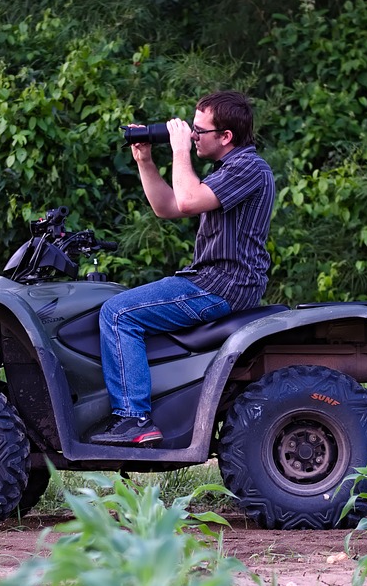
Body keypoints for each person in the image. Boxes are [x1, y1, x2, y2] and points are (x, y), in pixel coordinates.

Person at [91, 90, 275, 446]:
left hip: (221, 284)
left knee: (117, 313)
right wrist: (145, 160)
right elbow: (168, 207)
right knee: (118, 304)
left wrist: (178, 150)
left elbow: (188, 201)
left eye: (198, 130)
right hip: (212, 279)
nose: (192, 135)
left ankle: (133, 418)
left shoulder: (249, 167)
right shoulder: (229, 171)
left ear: (226, 137)